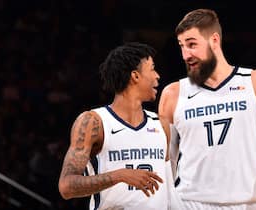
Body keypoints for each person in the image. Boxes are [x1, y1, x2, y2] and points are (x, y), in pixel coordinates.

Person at [158, 9, 256, 210]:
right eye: (182, 46)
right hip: (189, 203)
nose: (186, 54)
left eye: (192, 44)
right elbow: (165, 162)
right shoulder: (173, 93)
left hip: (249, 203)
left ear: (214, 40)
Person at [58, 42, 174, 210]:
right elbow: (66, 187)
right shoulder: (93, 122)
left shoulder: (161, 124)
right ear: (135, 76)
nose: (157, 76)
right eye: (152, 69)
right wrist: (119, 175)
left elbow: (169, 188)